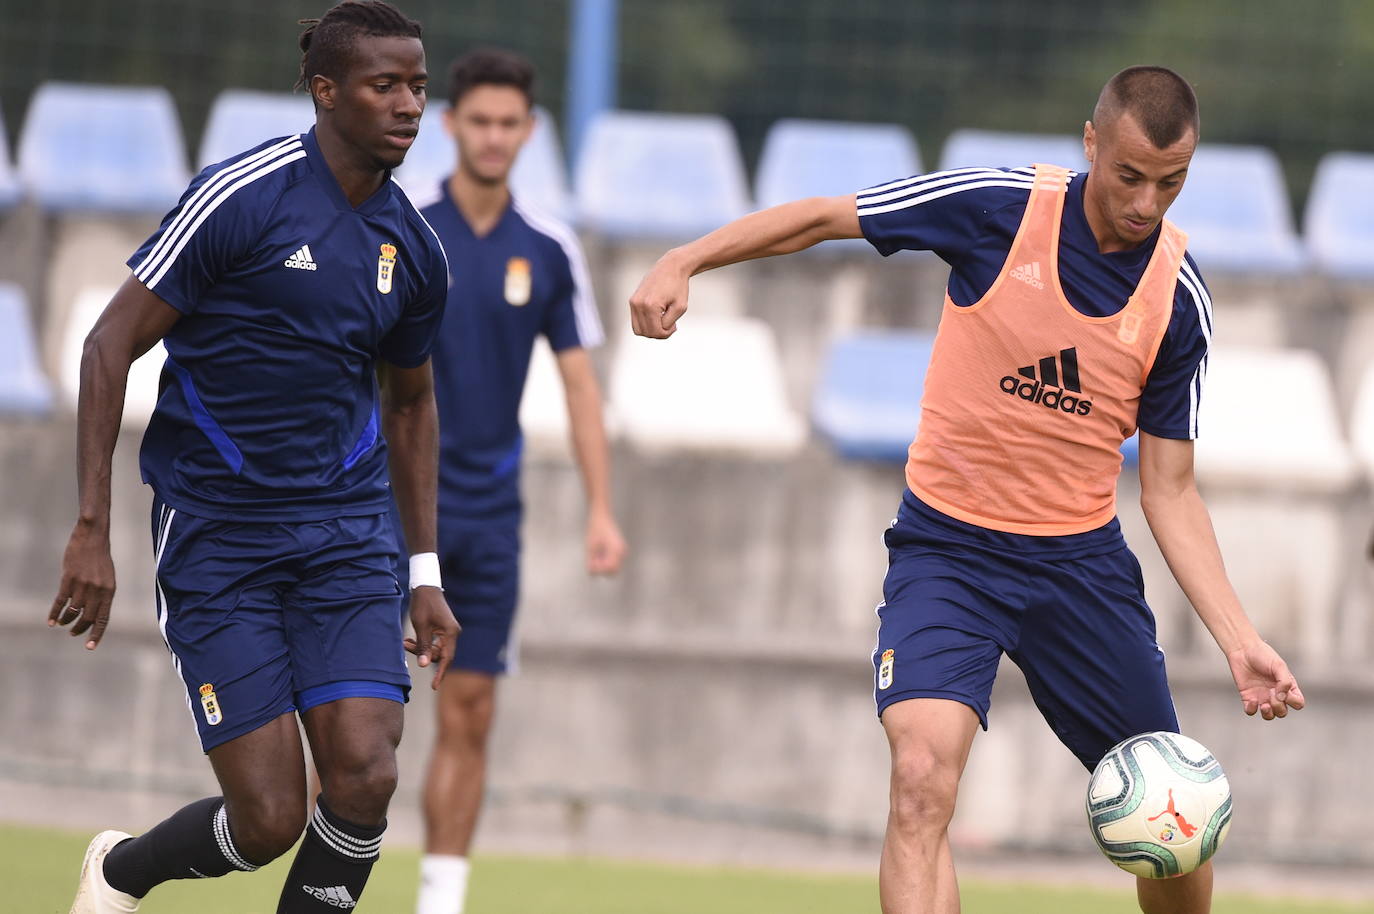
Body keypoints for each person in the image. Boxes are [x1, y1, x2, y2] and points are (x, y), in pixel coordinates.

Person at [629, 66, 1305, 914]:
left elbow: (1170, 491)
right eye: (1129, 174)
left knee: (1173, 814)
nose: (1145, 202)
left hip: (1079, 568)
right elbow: (825, 217)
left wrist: (1239, 639)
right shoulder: (998, 207)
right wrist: (687, 258)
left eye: (1170, 184)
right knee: (920, 780)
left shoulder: (1179, 300)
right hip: (948, 549)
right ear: (1090, 142)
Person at [51, 3, 458, 912]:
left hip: (347, 535)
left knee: (364, 774)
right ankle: (121, 872)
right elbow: (107, 347)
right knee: (271, 817)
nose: (408, 106)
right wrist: (91, 530)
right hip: (217, 532)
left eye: (419, 87)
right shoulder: (243, 196)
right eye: (384, 85)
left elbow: (413, 401)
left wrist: (424, 570)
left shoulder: (415, 249)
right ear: (325, 92)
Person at [401, 48, 626, 914]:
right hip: (385, 509)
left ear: (529, 132)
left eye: (510, 124)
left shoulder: (548, 247)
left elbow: (578, 384)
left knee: (471, 716)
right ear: (451, 125)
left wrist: (602, 510)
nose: (494, 137)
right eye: (479, 121)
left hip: (490, 514)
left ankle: (438, 904)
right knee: (359, 718)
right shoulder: (404, 225)